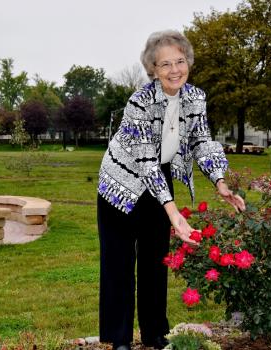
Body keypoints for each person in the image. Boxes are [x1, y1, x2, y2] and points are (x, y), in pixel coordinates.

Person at [96, 30, 245, 350]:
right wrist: (173, 211)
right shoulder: (139, 102)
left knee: (155, 261)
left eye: (180, 61)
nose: (174, 69)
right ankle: (119, 339)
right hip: (122, 182)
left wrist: (221, 182)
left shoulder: (196, 98)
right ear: (152, 68)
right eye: (165, 64)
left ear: (188, 62)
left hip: (158, 176)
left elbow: (202, 141)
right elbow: (146, 160)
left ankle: (154, 334)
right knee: (118, 265)